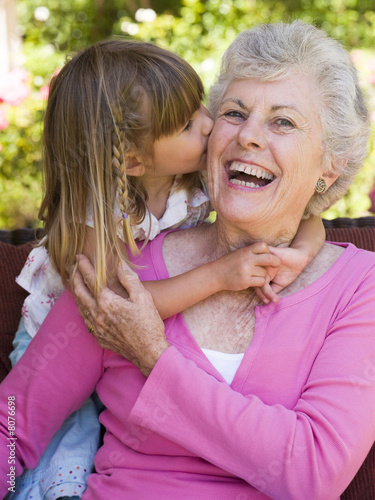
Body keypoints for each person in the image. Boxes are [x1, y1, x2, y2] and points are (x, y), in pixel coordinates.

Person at [1, 20, 373, 499]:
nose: (248, 138)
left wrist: (154, 357)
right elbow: (13, 431)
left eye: (283, 122)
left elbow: (312, 473)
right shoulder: (119, 276)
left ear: (330, 166)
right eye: (234, 114)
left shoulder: (361, 286)